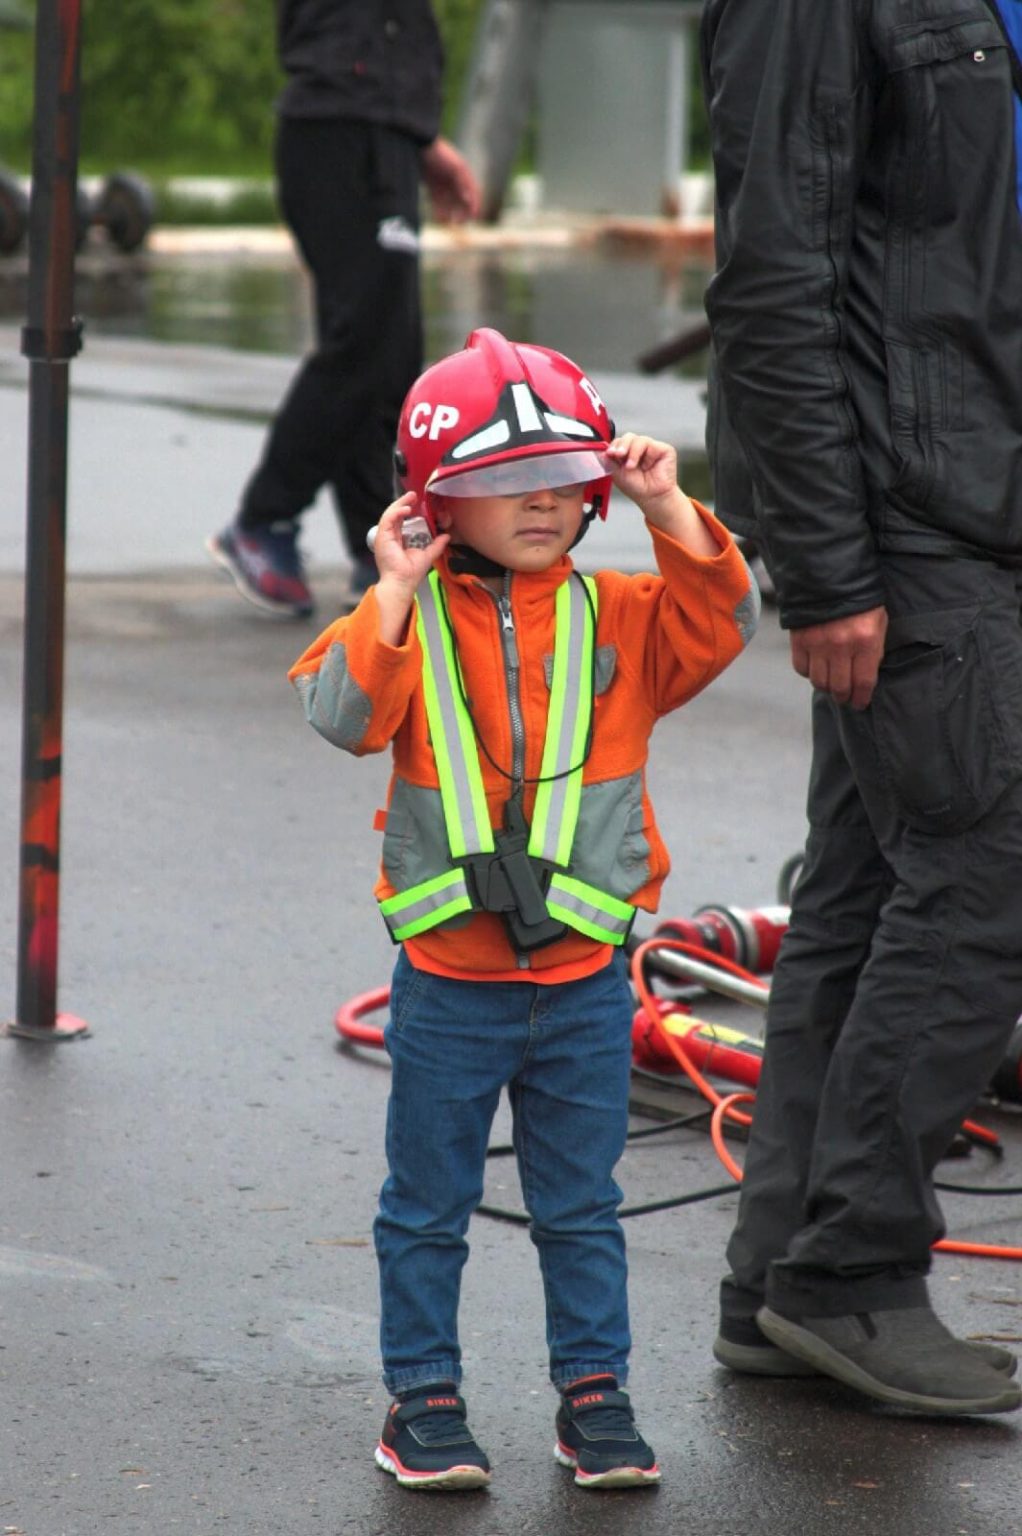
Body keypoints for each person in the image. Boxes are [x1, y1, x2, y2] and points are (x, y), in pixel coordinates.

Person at [289, 328, 759, 1489]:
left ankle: (593, 1398)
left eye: (562, 480)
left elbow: (725, 617)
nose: (540, 503)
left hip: (585, 983)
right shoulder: (408, 615)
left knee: (580, 1206)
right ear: (437, 504)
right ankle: (424, 1402)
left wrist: (667, 506)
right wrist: (392, 591)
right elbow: (345, 714)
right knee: (427, 1204)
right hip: (451, 983)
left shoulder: (627, 615)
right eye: (502, 487)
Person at [700, 0, 1022, 1415]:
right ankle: (853, 1276)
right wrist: (826, 569)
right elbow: (772, 272)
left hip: (970, 493)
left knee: (861, 881)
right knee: (976, 873)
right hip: (903, 516)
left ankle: (780, 1285)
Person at [207, 1, 480, 619]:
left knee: (391, 355)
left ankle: (375, 547)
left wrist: (421, 139)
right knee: (363, 342)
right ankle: (262, 520)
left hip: (378, 127)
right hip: (339, 126)